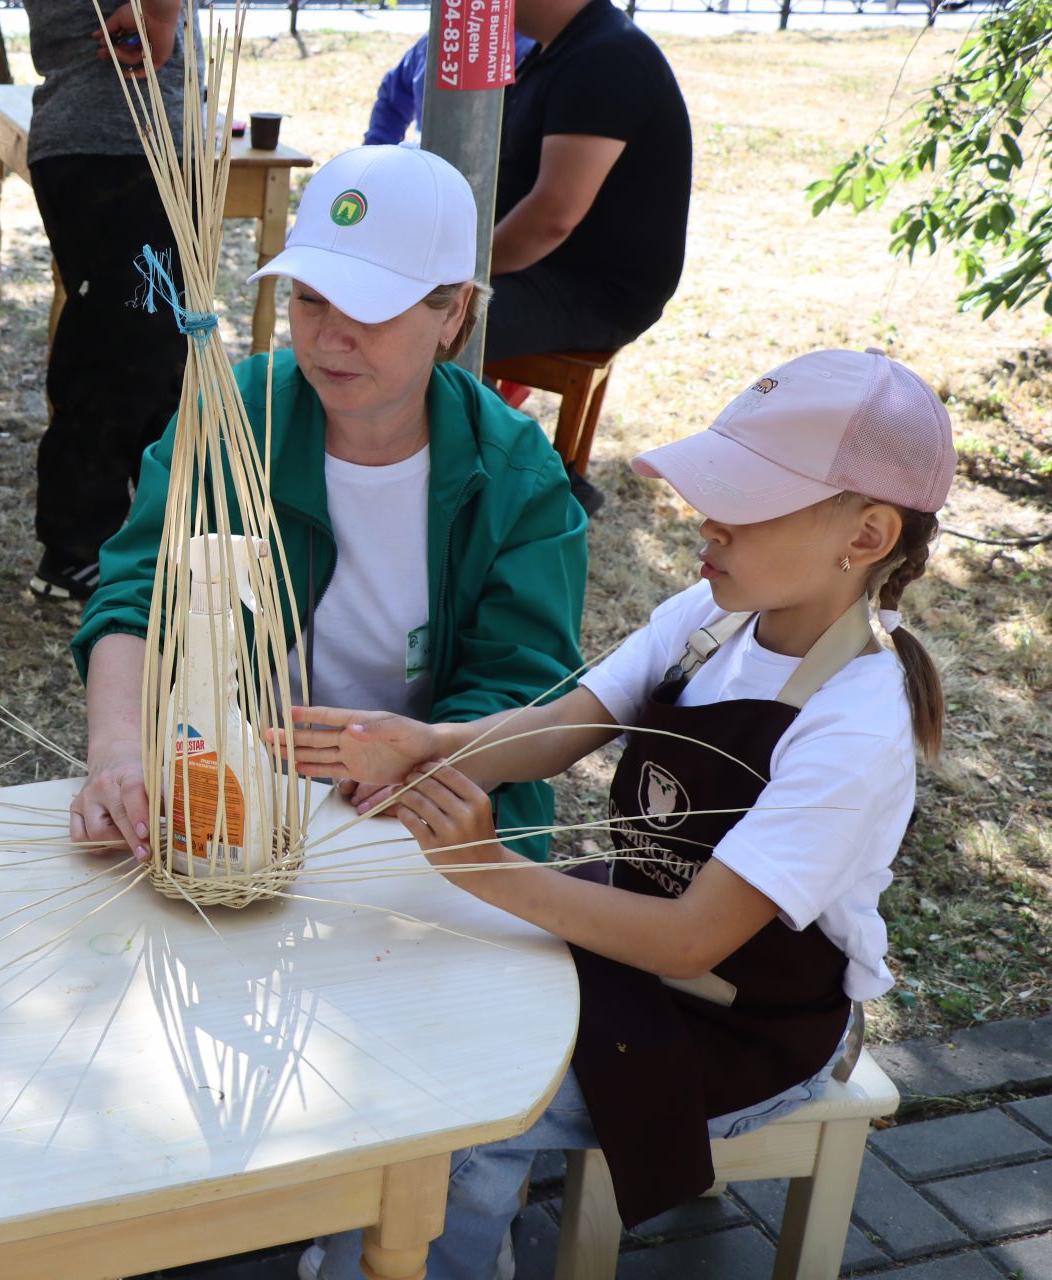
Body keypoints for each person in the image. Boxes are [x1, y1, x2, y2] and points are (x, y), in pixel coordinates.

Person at [282, 347, 954, 1280]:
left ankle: (419, 1254)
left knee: (460, 1096)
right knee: (400, 987)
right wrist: (429, 745)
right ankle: (390, 1237)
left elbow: (691, 942)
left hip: (748, 1023)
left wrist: (488, 869)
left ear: (868, 535)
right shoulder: (711, 618)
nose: (706, 520)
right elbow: (564, 727)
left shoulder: (856, 724)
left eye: (745, 503)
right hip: (627, 939)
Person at [70, 145, 587, 866]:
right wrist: (121, 753)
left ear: (453, 309)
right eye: (309, 298)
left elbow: (525, 683)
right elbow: (139, 595)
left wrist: (419, 767)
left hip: (429, 816)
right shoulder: (240, 413)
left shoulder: (514, 478)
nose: (330, 337)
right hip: (237, 793)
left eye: (370, 308)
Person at [489, 0, 692, 514]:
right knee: (418, 304)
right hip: (552, 271)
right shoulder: (566, 50)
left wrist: (454, 268)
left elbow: (553, 214)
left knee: (425, 317)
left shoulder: (607, 58)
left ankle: (537, 476)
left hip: (593, 292)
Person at [21, 0, 191, 602]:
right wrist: (159, 10)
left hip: (120, 139)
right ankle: (77, 551)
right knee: (122, 355)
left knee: (151, 350)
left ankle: (145, 538)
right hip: (117, 139)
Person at [363, 32, 537, 146]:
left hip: (498, 187)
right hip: (429, 173)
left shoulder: (530, 51)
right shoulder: (433, 42)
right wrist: (378, 151)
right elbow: (393, 99)